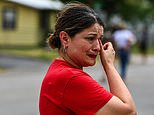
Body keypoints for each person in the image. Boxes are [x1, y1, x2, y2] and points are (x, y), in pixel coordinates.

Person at [39, 2, 136, 115]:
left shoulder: (60, 70)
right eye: (90, 38)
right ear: (65, 39)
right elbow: (129, 112)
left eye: (100, 39)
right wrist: (109, 65)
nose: (98, 47)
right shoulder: (71, 78)